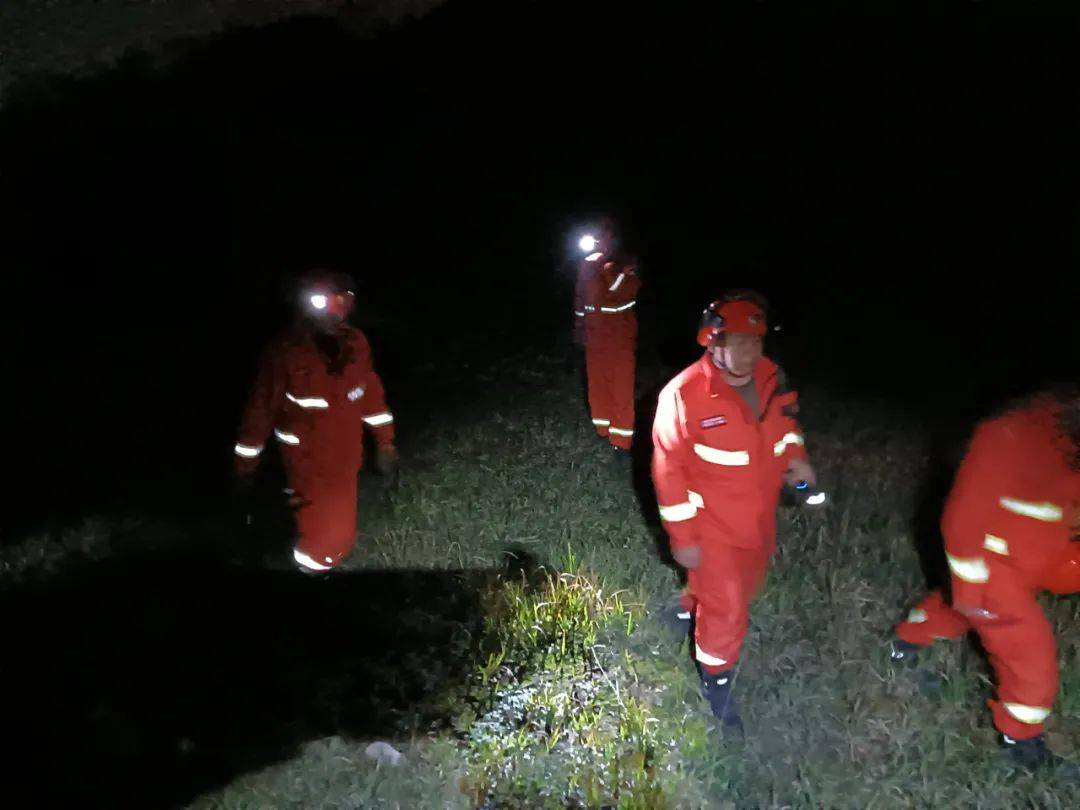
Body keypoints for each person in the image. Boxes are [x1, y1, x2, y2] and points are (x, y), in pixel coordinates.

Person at [651, 290, 814, 731]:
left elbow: (786, 427)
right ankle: (717, 682)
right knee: (728, 610)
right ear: (712, 341)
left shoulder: (772, 379)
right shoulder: (683, 396)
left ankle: (687, 607)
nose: (747, 352)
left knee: (746, 585)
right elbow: (668, 472)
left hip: (758, 521)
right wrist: (683, 539)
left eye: (754, 341)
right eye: (737, 341)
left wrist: (796, 461)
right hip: (711, 527)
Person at [892, 388, 1080, 770]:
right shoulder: (1011, 434)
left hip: (1031, 555)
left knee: (960, 606)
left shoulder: (1064, 439)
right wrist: (972, 578)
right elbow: (966, 513)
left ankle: (910, 640)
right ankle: (1021, 739)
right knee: (1028, 653)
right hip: (989, 560)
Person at [233, 270, 397, 574]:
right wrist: (245, 465)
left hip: (347, 461)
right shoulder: (287, 352)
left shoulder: (356, 345)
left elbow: (370, 395)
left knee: (335, 533)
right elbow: (260, 409)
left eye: (341, 302)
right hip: (307, 463)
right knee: (325, 541)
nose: (332, 312)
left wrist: (385, 442)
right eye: (323, 302)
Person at [573, 218, 641, 457]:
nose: (597, 241)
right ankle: (602, 430)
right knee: (597, 384)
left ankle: (621, 441)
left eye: (602, 236)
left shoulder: (624, 263)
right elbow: (581, 298)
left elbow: (620, 293)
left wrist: (614, 268)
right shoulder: (587, 264)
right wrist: (579, 327)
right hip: (595, 336)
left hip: (618, 336)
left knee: (620, 386)